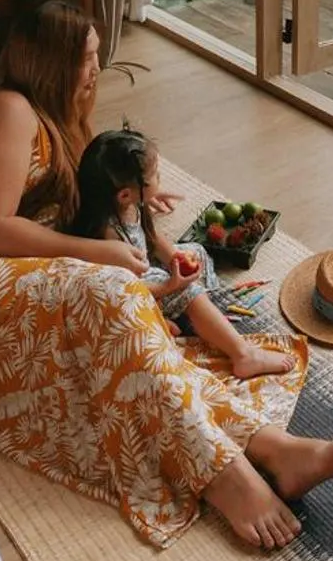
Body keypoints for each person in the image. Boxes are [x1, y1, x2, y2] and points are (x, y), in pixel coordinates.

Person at [0, 0, 333, 550]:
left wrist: (137, 204)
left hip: (15, 262)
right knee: (115, 292)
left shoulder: (60, 118)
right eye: (87, 58)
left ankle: (270, 446)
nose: (96, 69)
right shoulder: (8, 110)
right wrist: (97, 253)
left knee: (129, 329)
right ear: (52, 62)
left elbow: (73, 197)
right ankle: (226, 477)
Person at [67, 127, 293, 379]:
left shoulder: (130, 206)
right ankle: (243, 354)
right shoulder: (108, 236)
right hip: (133, 289)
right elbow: (126, 290)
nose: (160, 179)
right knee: (189, 290)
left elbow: (152, 239)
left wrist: (175, 256)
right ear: (124, 194)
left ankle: (187, 316)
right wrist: (169, 285)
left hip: (142, 271)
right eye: (155, 177)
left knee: (195, 251)